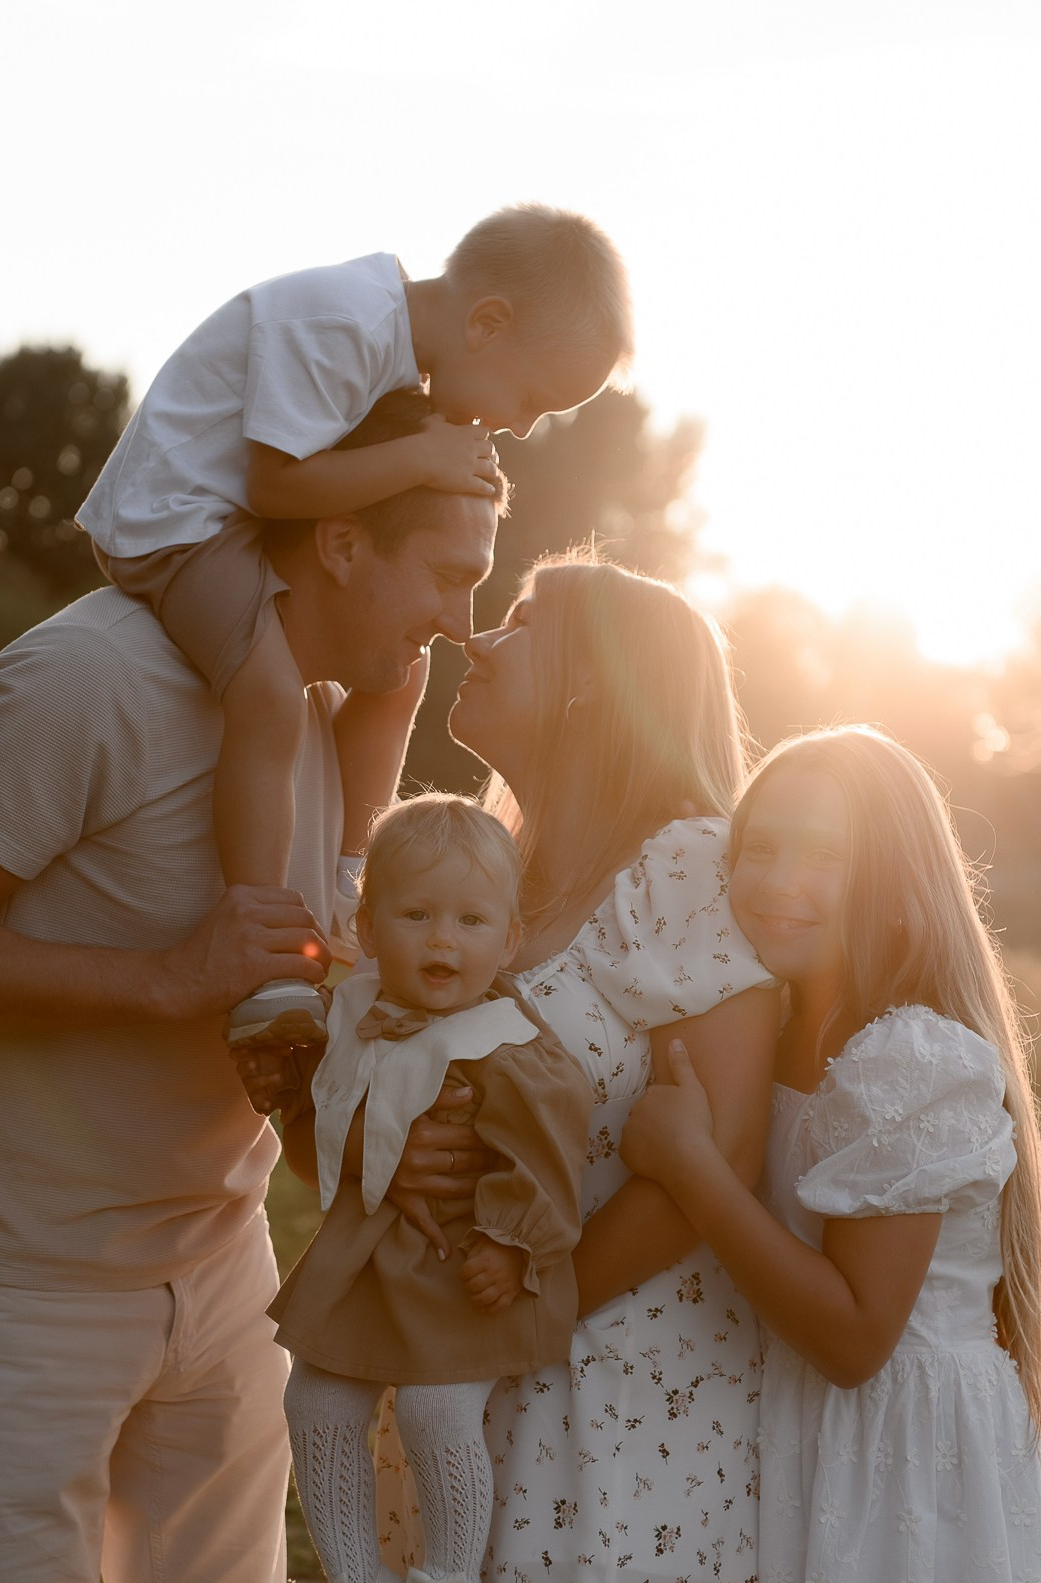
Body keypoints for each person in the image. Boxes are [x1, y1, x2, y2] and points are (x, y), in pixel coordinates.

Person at [0, 393, 503, 1583]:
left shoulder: (332, 721)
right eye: (448, 575)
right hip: (16, 1284)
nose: (460, 619)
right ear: (336, 544)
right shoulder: (89, 679)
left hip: (218, 1277)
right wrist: (165, 979)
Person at [348, 555, 781, 1583]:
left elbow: (718, 1153)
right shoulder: (492, 869)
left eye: (524, 624)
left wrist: (520, 1318)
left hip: (616, 1406)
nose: (480, 636)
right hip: (467, 1371)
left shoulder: (686, 868)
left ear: (597, 690)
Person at [76, 204, 633, 1045]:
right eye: (529, 398)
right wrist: (422, 457)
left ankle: (345, 878)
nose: (518, 425)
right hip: (178, 523)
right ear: (488, 322)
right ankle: (258, 934)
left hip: (237, 522)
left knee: (399, 669)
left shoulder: (397, 359)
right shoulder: (337, 321)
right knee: (266, 687)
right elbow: (274, 486)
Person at [622, 725, 1041, 1583]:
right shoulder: (762, 1025)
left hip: (899, 1448)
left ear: (895, 886)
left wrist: (690, 1168)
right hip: (801, 1427)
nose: (772, 881)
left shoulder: (908, 1053)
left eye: (818, 856)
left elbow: (858, 1337)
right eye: (757, 848)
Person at [268, 793, 592, 1583]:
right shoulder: (351, 1010)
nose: (441, 941)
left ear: (510, 936)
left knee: (435, 1412)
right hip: (367, 1254)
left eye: (470, 920)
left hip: (459, 1260)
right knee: (317, 1400)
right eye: (415, 916)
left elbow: (544, 1154)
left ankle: (452, 1582)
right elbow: (319, 1108)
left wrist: (513, 1242)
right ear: (368, 928)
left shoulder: (506, 1042)